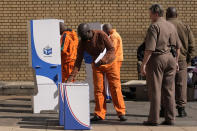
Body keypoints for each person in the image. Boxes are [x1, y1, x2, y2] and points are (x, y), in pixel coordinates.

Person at [68, 23, 127, 121]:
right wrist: (71, 77)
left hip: (110, 63)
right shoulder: (82, 42)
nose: (82, 38)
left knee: (115, 87)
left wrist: (103, 60)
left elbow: (111, 49)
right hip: (96, 64)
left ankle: (121, 112)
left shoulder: (101, 35)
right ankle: (99, 113)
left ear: (88, 31)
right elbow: (78, 60)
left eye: (83, 35)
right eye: (81, 36)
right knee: (98, 89)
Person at [141, 4, 181, 126]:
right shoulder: (171, 26)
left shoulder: (154, 26)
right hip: (170, 59)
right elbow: (178, 47)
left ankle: (153, 119)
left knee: (155, 90)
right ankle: (170, 118)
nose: (149, 16)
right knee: (169, 90)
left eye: (150, 13)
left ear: (156, 13)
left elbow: (150, 49)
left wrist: (143, 64)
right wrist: (176, 61)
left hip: (157, 59)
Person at [166, 7, 195, 117]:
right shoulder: (184, 26)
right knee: (181, 84)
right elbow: (192, 45)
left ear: (167, 15)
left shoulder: (162, 25)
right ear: (177, 15)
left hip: (166, 58)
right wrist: (188, 59)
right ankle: (181, 109)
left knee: (166, 84)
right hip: (182, 59)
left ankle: (165, 108)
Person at [102, 24, 124, 103]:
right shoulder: (115, 34)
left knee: (111, 78)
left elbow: (112, 49)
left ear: (106, 30)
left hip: (115, 60)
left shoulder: (113, 36)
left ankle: (110, 95)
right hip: (117, 59)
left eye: (103, 30)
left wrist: (104, 59)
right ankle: (113, 95)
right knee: (114, 78)